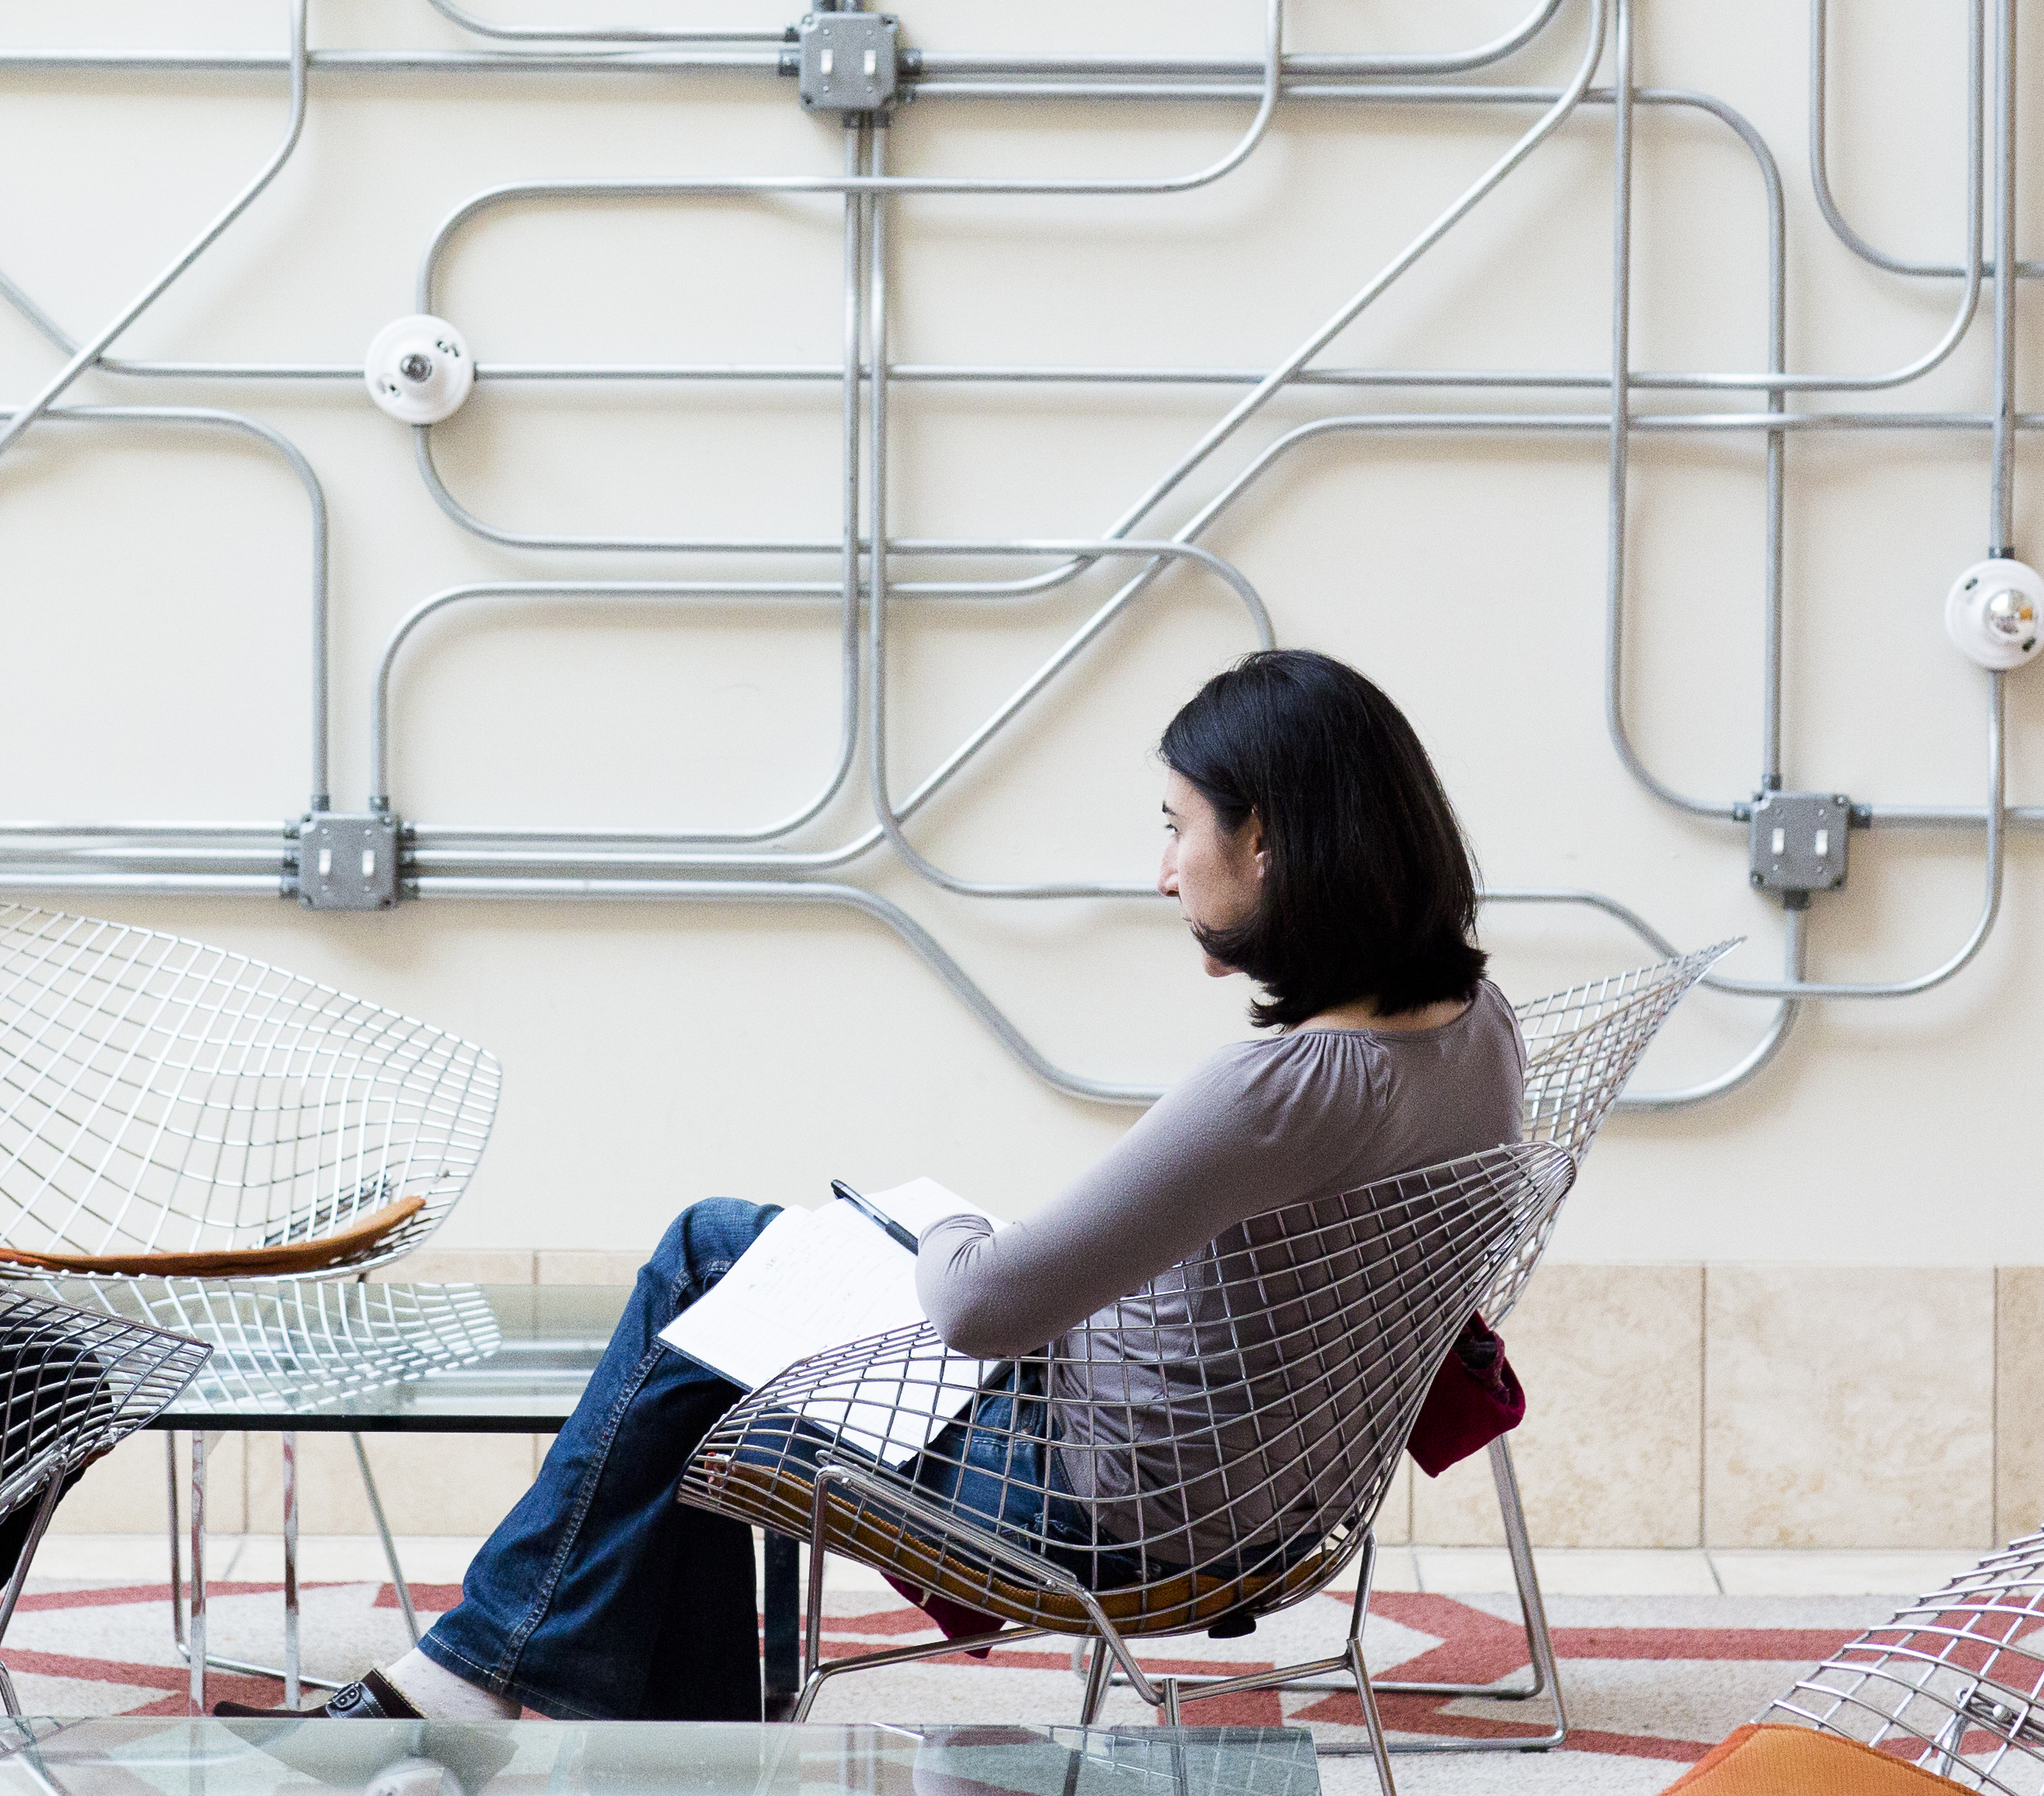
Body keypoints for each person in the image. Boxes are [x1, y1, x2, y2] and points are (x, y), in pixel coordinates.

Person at [324, 646, 1524, 1723]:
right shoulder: (1478, 1032)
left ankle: (490, 1680)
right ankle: (600, 1714)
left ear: (1266, 842)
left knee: (705, 1260)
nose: (1165, 871)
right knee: (701, 1347)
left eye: (1179, 827)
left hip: (1096, 1512)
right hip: (1268, 1505)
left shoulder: (1280, 1091)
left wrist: (941, 1221)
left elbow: (977, 1304)